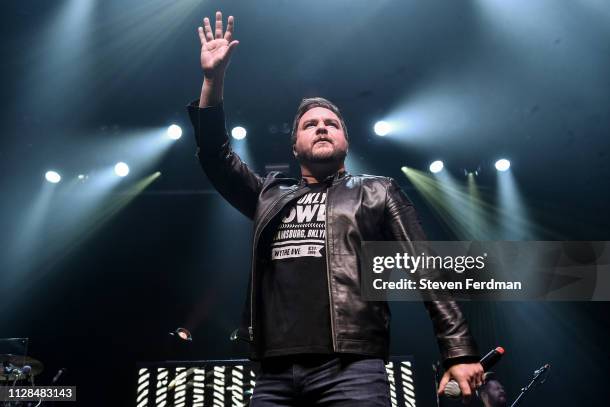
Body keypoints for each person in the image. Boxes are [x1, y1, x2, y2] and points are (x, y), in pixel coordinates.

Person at [187, 11, 484, 406]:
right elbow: (214, 155)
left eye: (331, 123)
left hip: (351, 369)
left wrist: (458, 350)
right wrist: (213, 79)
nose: (322, 127)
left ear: (346, 141)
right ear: (294, 146)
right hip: (273, 373)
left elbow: (425, 269)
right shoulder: (267, 195)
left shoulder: (378, 191)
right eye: (310, 125)